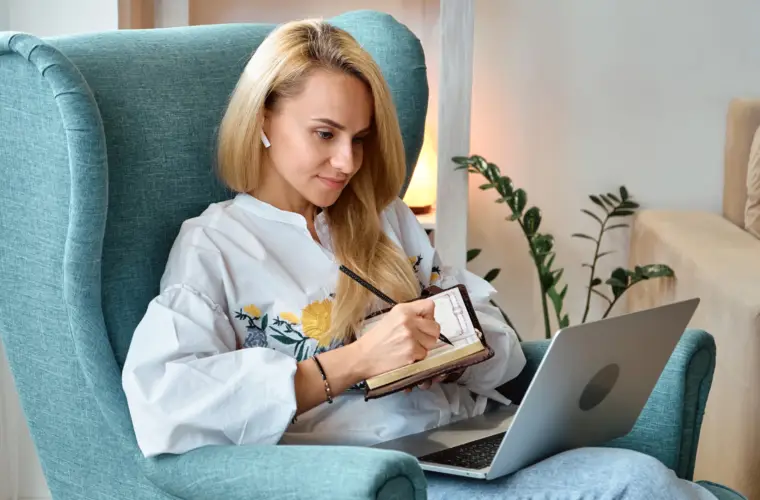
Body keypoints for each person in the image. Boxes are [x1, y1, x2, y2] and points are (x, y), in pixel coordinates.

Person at [121, 18, 716, 500]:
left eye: (360, 138)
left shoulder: (386, 218)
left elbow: (500, 349)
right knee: (636, 485)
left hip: (464, 441)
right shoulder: (216, 245)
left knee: (639, 478)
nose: (347, 162)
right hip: (365, 475)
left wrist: (453, 352)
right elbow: (167, 400)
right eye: (325, 134)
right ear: (265, 121)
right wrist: (354, 362)